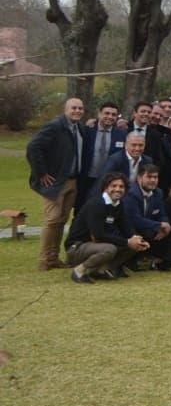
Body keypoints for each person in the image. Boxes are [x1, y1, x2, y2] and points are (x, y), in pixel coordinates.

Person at [26, 97, 86, 272]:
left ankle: (53, 257)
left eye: (80, 108)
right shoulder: (55, 126)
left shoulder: (79, 128)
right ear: (65, 109)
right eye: (74, 108)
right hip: (56, 182)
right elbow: (33, 147)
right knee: (52, 220)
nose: (77, 111)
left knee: (61, 220)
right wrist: (42, 173)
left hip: (73, 181)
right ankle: (45, 259)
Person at [64, 172, 147, 283]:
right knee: (109, 249)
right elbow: (98, 235)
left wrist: (137, 239)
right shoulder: (96, 204)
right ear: (105, 187)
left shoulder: (118, 204)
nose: (117, 189)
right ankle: (79, 271)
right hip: (77, 247)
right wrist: (127, 241)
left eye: (121, 187)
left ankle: (101, 270)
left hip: (95, 245)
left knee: (133, 246)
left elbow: (126, 226)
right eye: (113, 186)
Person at [123, 160, 171, 270]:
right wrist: (158, 225)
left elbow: (162, 214)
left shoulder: (158, 192)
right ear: (139, 178)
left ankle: (159, 261)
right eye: (149, 177)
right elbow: (134, 219)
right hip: (132, 230)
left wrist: (165, 225)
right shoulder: (131, 194)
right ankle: (130, 261)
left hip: (151, 229)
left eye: (155, 177)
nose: (153, 180)